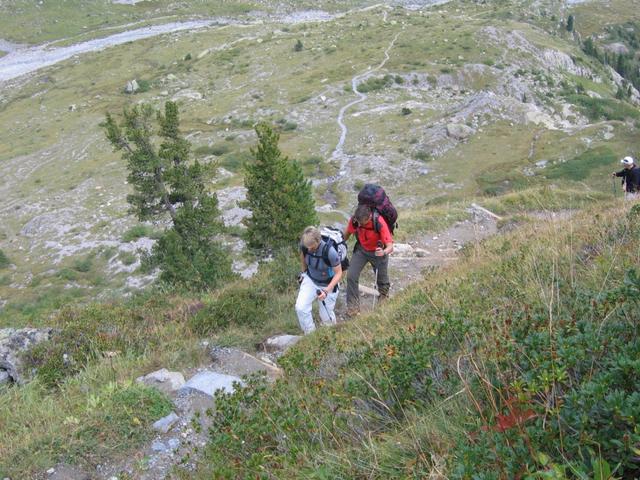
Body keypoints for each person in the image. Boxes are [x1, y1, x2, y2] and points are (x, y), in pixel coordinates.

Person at [343, 204, 394, 317]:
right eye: (359, 222)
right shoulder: (355, 220)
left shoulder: (379, 222)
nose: (360, 225)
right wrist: (339, 244)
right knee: (351, 275)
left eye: (363, 223)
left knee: (382, 281)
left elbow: (390, 246)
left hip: (378, 252)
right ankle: (353, 307)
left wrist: (384, 252)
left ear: (369, 217)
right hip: (362, 250)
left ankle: (383, 302)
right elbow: (346, 234)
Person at [295, 226, 343, 334]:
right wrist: (303, 274)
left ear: (319, 240)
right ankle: (310, 335)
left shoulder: (330, 252)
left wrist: (326, 290)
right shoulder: (305, 247)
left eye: (312, 248)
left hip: (328, 284)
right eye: (307, 248)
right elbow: (303, 260)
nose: (309, 250)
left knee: (325, 316)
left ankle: (332, 335)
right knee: (301, 307)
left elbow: (339, 273)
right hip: (311, 279)